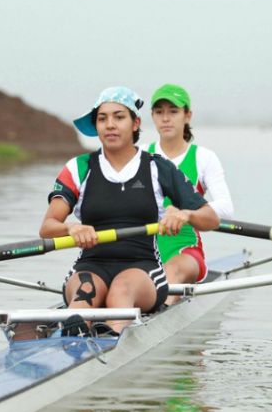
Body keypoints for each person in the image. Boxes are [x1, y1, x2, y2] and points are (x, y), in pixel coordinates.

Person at [38, 86, 220, 336]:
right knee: (82, 300)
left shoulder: (158, 168)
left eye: (118, 117)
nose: (110, 124)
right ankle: (75, 336)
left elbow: (210, 219)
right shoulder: (78, 167)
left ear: (135, 123)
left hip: (143, 268)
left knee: (121, 291)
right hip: (91, 264)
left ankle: (111, 340)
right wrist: (71, 227)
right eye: (102, 119)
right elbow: (47, 228)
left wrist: (186, 215)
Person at [142, 84, 234, 304]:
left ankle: (157, 312)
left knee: (169, 275)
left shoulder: (203, 157)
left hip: (183, 249)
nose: (165, 118)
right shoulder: (141, 155)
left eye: (173, 112)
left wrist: (186, 214)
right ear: (152, 117)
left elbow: (226, 209)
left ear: (187, 115)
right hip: (142, 250)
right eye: (159, 112)